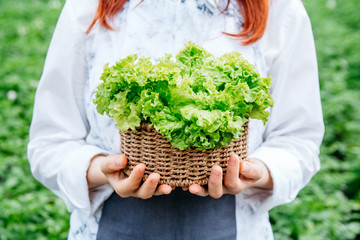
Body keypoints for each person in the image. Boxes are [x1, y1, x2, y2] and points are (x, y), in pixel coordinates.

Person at [27, 0, 324, 239]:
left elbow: (298, 140)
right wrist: (102, 170)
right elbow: (51, 143)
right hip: (108, 227)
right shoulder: (88, 8)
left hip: (234, 227)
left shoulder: (278, 9)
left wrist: (257, 171)